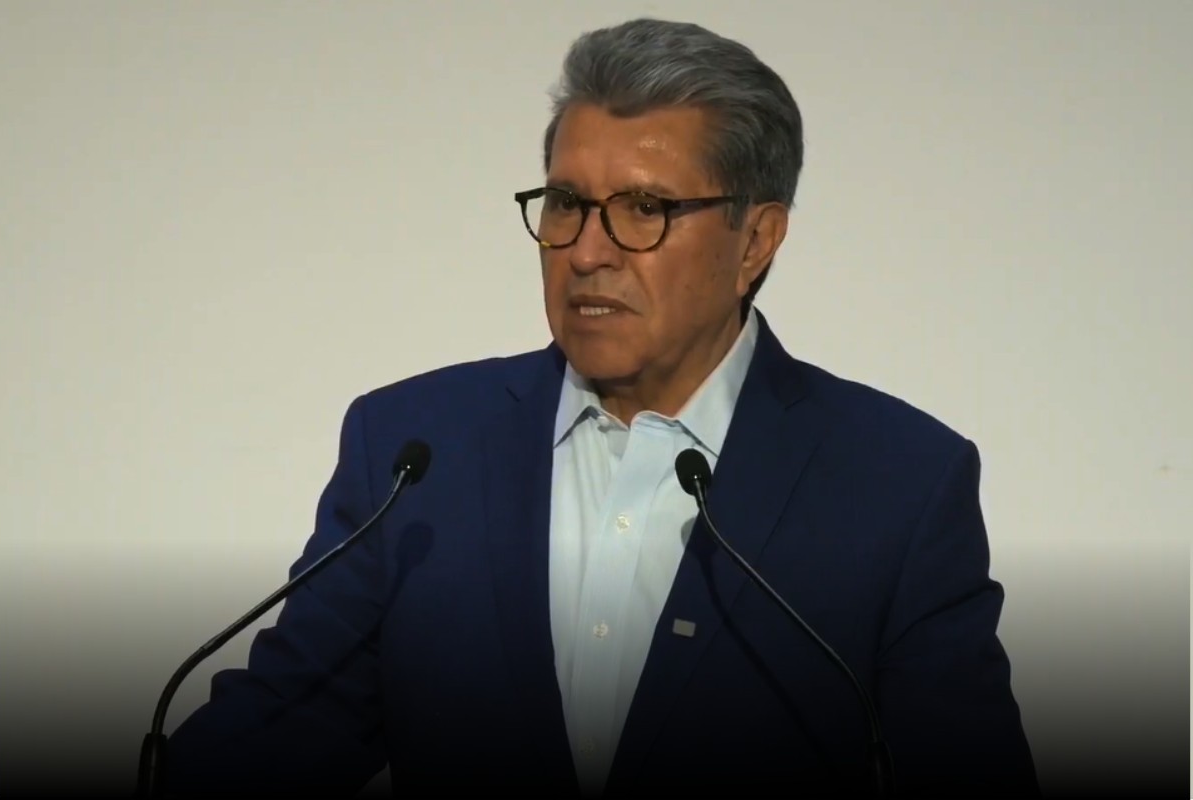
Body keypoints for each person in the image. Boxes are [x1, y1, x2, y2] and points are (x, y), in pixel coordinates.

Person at [166, 17, 1038, 799]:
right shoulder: (415, 451)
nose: (587, 252)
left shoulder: (898, 484)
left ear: (756, 241)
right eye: (567, 204)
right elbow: (273, 739)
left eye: (644, 209)